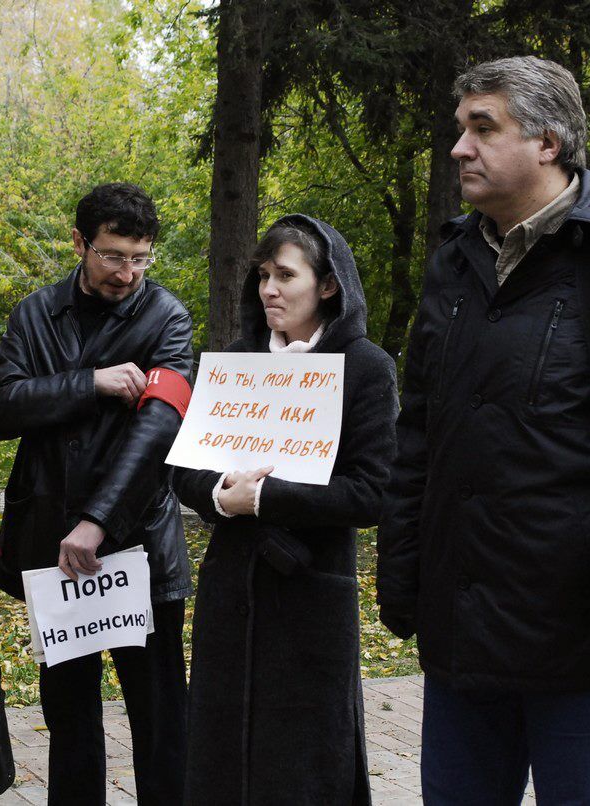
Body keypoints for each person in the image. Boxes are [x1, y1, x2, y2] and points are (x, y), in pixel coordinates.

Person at [376, 56, 590, 805]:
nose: (459, 148)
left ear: (549, 142)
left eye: (482, 127)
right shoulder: (454, 261)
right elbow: (421, 439)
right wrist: (404, 580)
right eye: (459, 128)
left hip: (583, 646)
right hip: (462, 635)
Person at [0, 182, 193, 805]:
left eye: (141, 257)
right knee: (69, 714)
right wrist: (88, 384)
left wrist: (99, 519)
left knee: (158, 716)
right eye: (113, 255)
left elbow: (157, 430)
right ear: (80, 243)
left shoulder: (167, 319)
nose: (128, 272)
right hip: (52, 544)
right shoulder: (35, 314)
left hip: (138, 547)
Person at [174, 216, 397, 805]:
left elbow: (370, 491)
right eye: (263, 275)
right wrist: (222, 497)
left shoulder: (365, 367)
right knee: (222, 754)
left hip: (310, 595)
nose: (269, 289)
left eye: (285, 276)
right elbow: (186, 470)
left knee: (303, 763)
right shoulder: (235, 361)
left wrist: (269, 499)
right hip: (230, 590)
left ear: (327, 285)